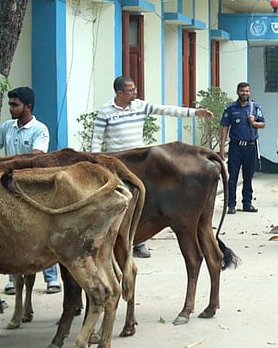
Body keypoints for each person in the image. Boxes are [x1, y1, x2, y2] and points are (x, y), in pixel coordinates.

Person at [92, 75, 214, 257]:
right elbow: (97, 138)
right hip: (117, 163)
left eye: (134, 89)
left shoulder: (140, 106)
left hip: (139, 162)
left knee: (142, 200)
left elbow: (166, 110)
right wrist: (96, 163)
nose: (135, 92)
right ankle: (116, 238)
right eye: (131, 90)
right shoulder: (105, 111)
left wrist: (195, 113)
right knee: (120, 200)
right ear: (120, 93)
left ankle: (139, 242)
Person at [0, 87, 57, 293]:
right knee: (11, 231)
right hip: (8, 187)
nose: (10, 108)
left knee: (43, 230)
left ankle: (51, 278)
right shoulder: (6, 127)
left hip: (32, 188)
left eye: (14, 105)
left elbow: (35, 157)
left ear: (27, 107)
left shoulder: (40, 129)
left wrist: (5, 164)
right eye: (10, 104)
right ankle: (12, 278)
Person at [218, 82, 266, 214]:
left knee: (248, 176)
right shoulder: (230, 109)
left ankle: (247, 203)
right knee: (232, 176)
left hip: (250, 147)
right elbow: (225, 128)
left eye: (247, 91)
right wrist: (222, 148)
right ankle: (231, 204)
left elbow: (263, 124)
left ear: (249, 92)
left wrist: (253, 122)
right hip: (235, 147)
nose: (244, 93)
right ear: (237, 91)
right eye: (242, 91)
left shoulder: (255, 107)